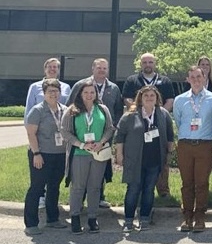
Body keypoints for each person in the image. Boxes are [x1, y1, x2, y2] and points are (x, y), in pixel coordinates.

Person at [115, 86, 175, 233]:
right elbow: (120, 136)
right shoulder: (130, 115)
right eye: (146, 95)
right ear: (140, 98)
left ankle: (144, 219)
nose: (149, 98)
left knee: (148, 190)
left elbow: (170, 134)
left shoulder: (163, 114)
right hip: (135, 160)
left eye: (152, 96)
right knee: (133, 190)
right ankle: (128, 220)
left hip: (154, 160)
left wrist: (170, 152)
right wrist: (119, 154)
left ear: (157, 98)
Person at [69, 58, 124, 208]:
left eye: (104, 68)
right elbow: (70, 107)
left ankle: (99, 196)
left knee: (101, 165)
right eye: (99, 68)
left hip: (104, 136)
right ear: (92, 68)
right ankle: (79, 200)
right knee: (80, 170)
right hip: (81, 137)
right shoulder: (81, 85)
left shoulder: (113, 88)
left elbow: (118, 109)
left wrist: (113, 127)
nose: (102, 71)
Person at [173, 66, 212, 232]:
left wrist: (210, 138)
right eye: (192, 77)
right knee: (187, 182)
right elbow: (179, 122)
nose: (195, 80)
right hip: (185, 144)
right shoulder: (179, 100)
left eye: (198, 77)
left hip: (204, 145)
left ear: (204, 78)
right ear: (188, 79)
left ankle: (200, 216)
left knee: (201, 182)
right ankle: (187, 215)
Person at [61, 81, 115, 234]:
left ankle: (92, 217)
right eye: (86, 92)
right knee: (78, 187)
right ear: (80, 94)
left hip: (98, 154)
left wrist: (101, 142)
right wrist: (81, 144)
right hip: (79, 154)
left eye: (92, 92)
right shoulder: (72, 111)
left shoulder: (102, 109)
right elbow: (65, 132)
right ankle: (75, 217)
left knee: (95, 187)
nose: (89, 95)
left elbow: (110, 128)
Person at [122, 53, 176, 198]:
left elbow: (170, 99)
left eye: (150, 62)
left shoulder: (164, 80)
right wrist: (140, 111)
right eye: (145, 62)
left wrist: (159, 113)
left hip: (159, 121)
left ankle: (163, 190)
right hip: (138, 122)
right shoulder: (132, 80)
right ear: (141, 64)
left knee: (161, 157)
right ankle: (138, 189)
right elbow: (127, 98)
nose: (148, 64)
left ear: (155, 64)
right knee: (139, 157)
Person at [23, 78, 69, 235]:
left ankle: (53, 219)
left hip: (60, 155)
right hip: (41, 155)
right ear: (44, 93)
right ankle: (31, 224)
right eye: (50, 91)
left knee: (54, 187)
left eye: (56, 91)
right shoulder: (37, 110)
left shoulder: (64, 109)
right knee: (36, 188)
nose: (53, 94)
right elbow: (31, 133)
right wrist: (36, 153)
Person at [24, 58, 71, 123]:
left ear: (58, 70)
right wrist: (28, 127)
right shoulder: (34, 87)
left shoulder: (66, 87)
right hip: (41, 125)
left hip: (61, 124)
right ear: (45, 70)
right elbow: (29, 108)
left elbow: (69, 107)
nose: (52, 69)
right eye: (49, 67)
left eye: (55, 67)